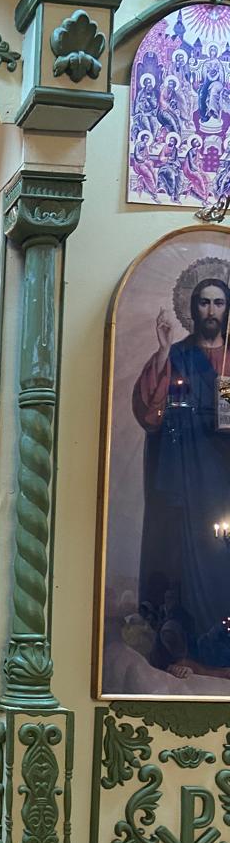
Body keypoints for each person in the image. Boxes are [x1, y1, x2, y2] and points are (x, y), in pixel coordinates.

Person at [131, 277, 230, 673]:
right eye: (204, 302)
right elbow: (150, 413)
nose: (211, 311)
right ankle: (190, 650)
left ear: (227, 309)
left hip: (225, 471)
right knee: (191, 555)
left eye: (218, 303)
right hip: (188, 473)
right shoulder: (178, 355)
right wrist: (161, 352)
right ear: (193, 308)